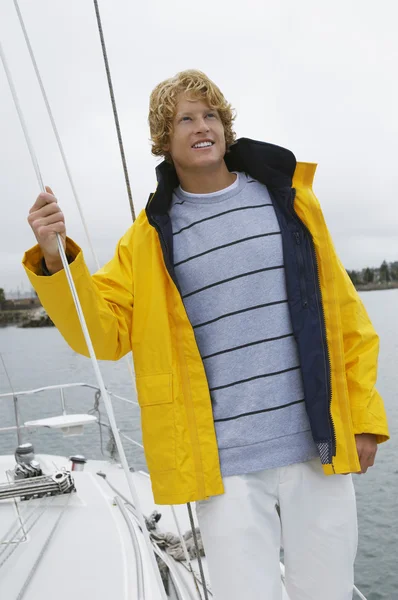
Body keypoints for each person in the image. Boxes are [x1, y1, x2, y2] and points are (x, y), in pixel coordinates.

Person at [23, 69, 389, 600]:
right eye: (184, 119)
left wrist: (366, 420)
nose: (202, 126)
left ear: (225, 126)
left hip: (320, 447)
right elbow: (101, 335)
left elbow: (346, 317)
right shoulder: (146, 240)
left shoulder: (291, 201)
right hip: (226, 467)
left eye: (210, 114)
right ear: (164, 140)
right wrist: (57, 260)